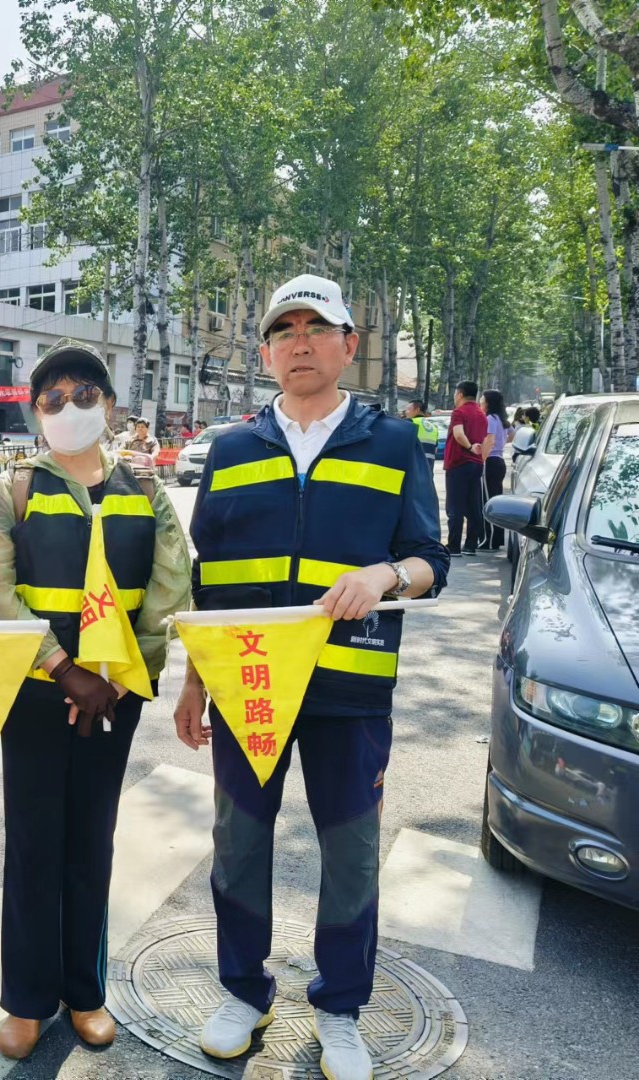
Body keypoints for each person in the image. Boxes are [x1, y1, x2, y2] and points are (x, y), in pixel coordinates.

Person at [174, 275, 448, 1080]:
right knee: (238, 842)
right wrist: (195, 681)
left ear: (347, 345)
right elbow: (208, 580)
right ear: (266, 352)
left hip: (349, 688)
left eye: (315, 327)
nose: (299, 342)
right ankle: (242, 992)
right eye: (284, 330)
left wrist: (385, 575)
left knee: (351, 853)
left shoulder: (393, 442)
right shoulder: (232, 449)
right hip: (248, 684)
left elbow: (432, 561)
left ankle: (340, 1009)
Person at [0, 343, 192, 1061]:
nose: (69, 407)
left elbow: (170, 586)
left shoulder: (145, 489)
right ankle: (26, 1001)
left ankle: (85, 991)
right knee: (33, 840)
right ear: (34, 411)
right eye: (53, 397)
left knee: (91, 838)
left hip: (115, 692)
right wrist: (62, 669)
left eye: (84, 394)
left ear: (109, 405)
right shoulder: (13, 489)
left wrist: (121, 679)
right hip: (38, 691)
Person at [442, 381, 492, 555]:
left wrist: (469, 447)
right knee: (473, 505)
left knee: (454, 506)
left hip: (459, 463)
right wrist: (477, 453)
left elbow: (458, 434)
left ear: (460, 394)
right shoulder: (481, 414)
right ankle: (471, 545)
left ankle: (454, 545)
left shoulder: (459, 412)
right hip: (476, 463)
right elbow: (485, 439)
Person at [480, 389, 511, 550]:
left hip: (490, 462)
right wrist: (502, 443)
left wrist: (482, 459)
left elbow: (490, 440)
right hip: (499, 460)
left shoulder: (490, 419)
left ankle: (490, 539)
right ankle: (496, 538)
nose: (480, 402)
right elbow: (512, 434)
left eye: (482, 399)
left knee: (489, 501)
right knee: (496, 499)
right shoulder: (502, 419)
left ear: (488, 403)